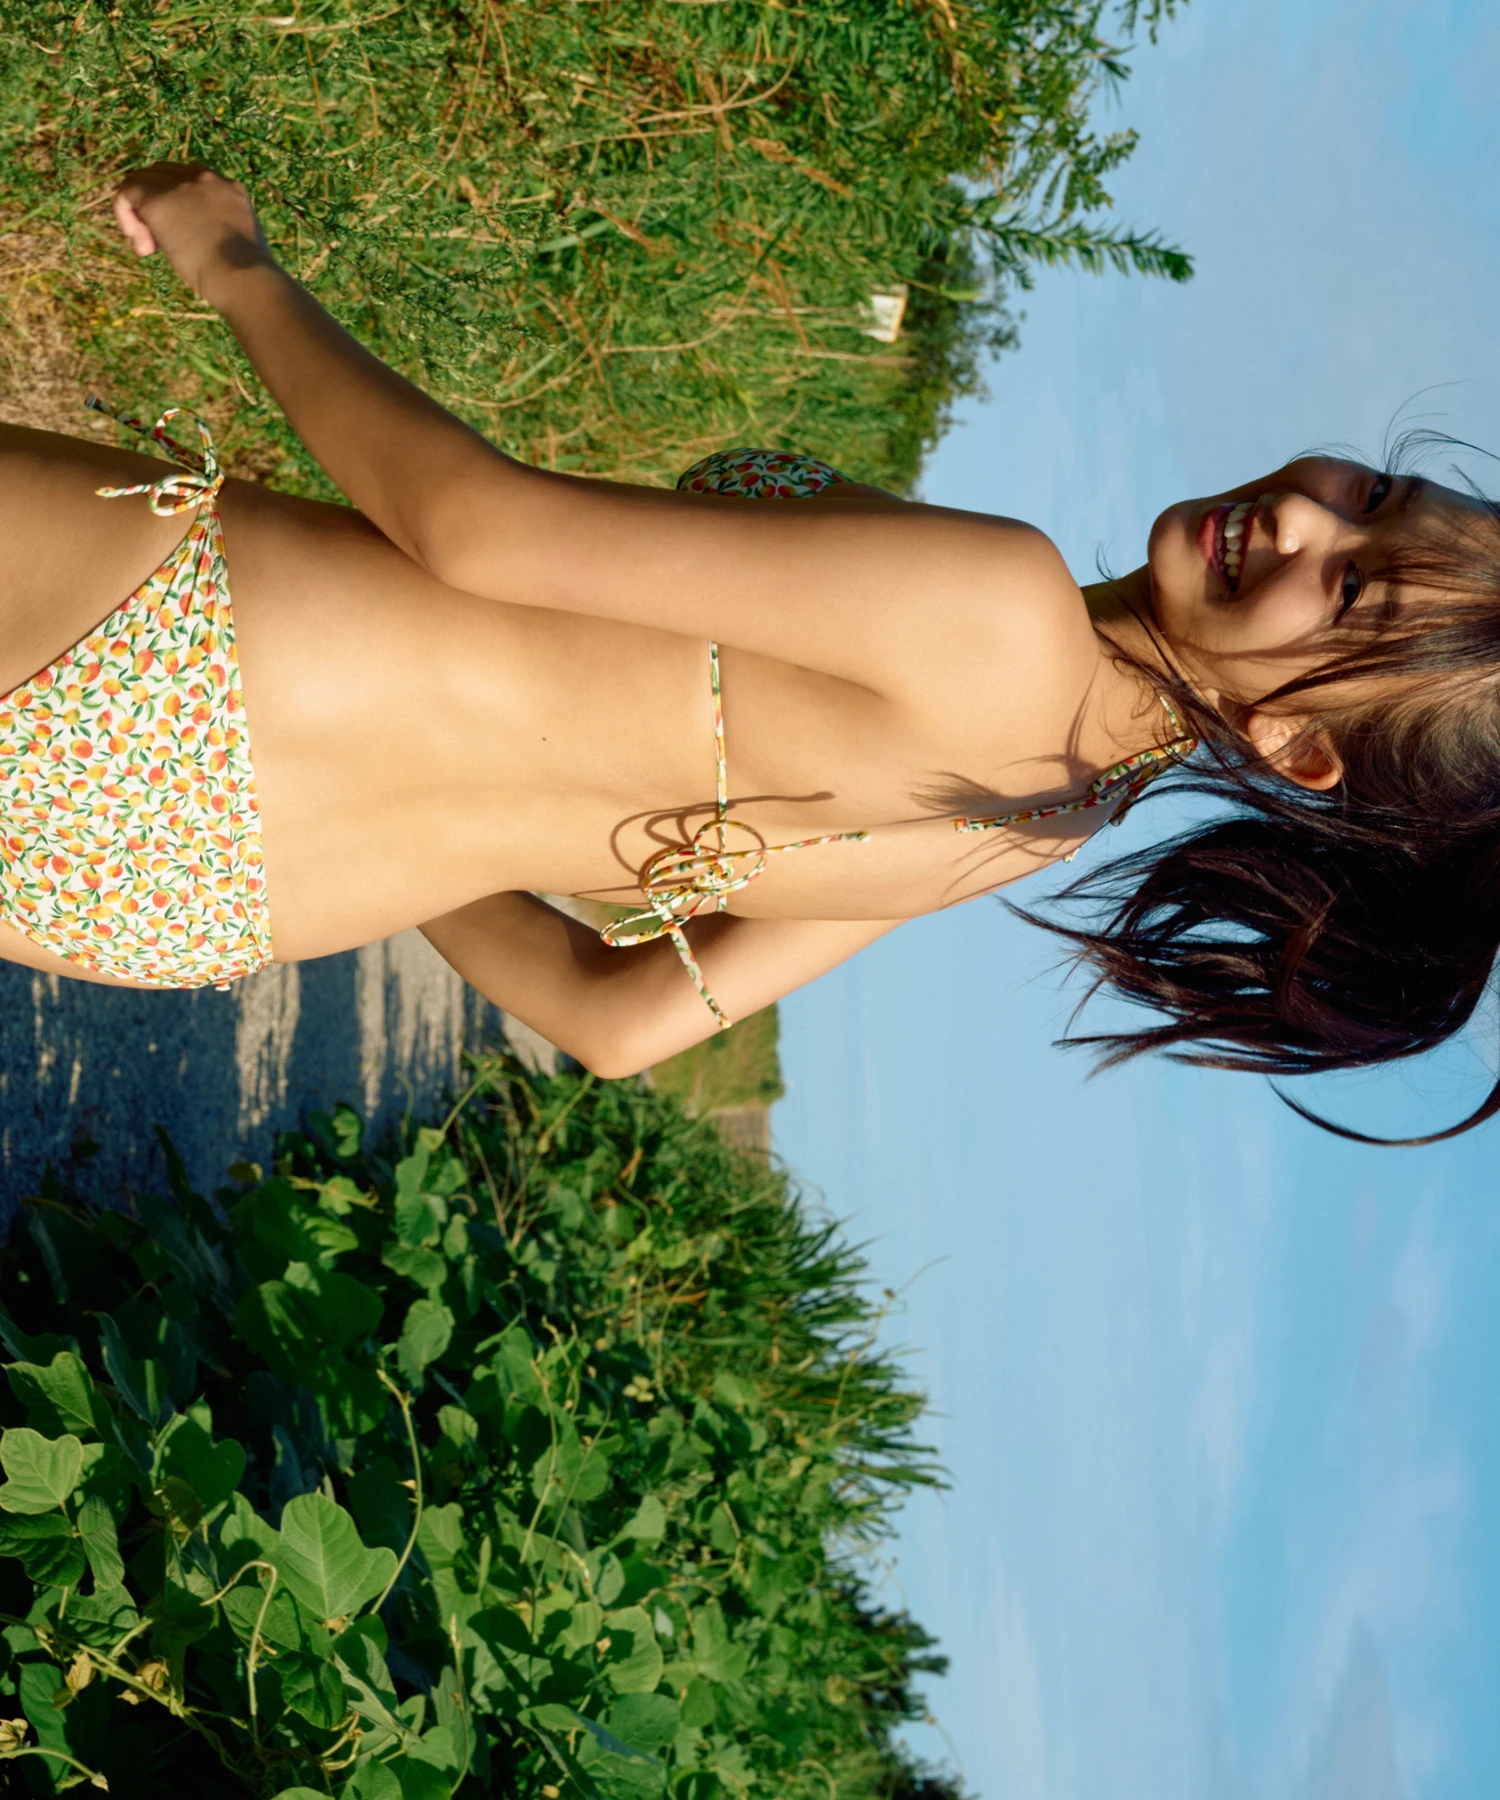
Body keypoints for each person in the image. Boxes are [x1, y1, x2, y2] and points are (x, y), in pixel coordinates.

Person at [4, 162, 1498, 1138]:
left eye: (1351, 593)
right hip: (199, 895)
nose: (1306, 518)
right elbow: (616, 1020)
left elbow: (481, 532)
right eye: (1374, 494)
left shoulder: (1004, 606)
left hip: (196, 654)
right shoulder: (1041, 827)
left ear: (1302, 752)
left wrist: (236, 263)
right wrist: (431, 825)